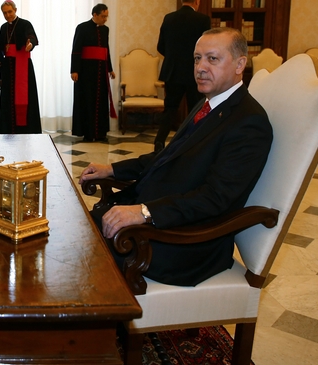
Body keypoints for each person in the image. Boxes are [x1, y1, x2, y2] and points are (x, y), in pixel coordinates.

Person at [79, 28, 273, 287]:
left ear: (240, 65)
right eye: (197, 59)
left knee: (77, 257)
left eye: (212, 59)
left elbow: (214, 198)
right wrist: (112, 169)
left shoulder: (249, 122)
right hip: (157, 218)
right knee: (71, 234)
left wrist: (145, 212)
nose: (200, 68)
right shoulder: (207, 104)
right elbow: (167, 156)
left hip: (184, 242)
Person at [154, 0, 212, 152]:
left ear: (182, 0)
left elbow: (160, 47)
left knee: (170, 108)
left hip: (172, 71)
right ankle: (193, 141)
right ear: (197, 1)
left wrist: (174, 58)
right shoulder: (203, 20)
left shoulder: (169, 18)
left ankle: (159, 141)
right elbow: (207, 47)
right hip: (195, 72)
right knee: (196, 107)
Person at [70, 3, 117, 142]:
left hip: (101, 71)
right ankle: (88, 133)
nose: (105, 19)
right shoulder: (82, 28)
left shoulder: (105, 30)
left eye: (106, 16)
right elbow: (76, 50)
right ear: (94, 15)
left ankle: (100, 133)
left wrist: (110, 69)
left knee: (101, 101)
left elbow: (106, 50)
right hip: (86, 71)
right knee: (87, 101)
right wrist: (74, 70)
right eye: (103, 16)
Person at [0, 0, 42, 134]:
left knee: (26, 97)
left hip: (23, 67)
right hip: (8, 68)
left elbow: (32, 37)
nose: (7, 15)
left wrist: (30, 44)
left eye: (9, 12)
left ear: (15, 10)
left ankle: (26, 130)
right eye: (4, 13)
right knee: (8, 99)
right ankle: (8, 130)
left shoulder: (25, 24)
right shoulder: (3, 27)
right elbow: (0, 47)